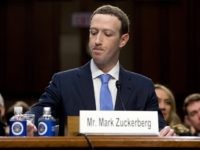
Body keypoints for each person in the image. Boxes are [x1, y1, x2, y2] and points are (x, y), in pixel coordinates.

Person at [27, 4, 174, 136]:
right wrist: (27, 121)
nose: (97, 40)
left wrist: (166, 134)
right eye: (93, 32)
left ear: (123, 40)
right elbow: (38, 112)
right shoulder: (64, 82)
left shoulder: (142, 87)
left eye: (107, 34)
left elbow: (160, 130)